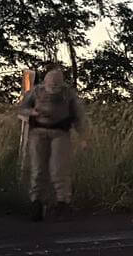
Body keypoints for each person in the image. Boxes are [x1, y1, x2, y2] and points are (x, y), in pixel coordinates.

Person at [17, 66, 89, 221]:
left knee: (59, 169)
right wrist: (33, 113)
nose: (53, 88)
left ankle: (63, 203)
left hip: (60, 133)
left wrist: (82, 137)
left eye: (57, 85)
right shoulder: (36, 92)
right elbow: (22, 108)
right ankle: (36, 203)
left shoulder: (68, 95)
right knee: (38, 169)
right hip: (38, 132)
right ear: (45, 83)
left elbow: (78, 117)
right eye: (51, 85)